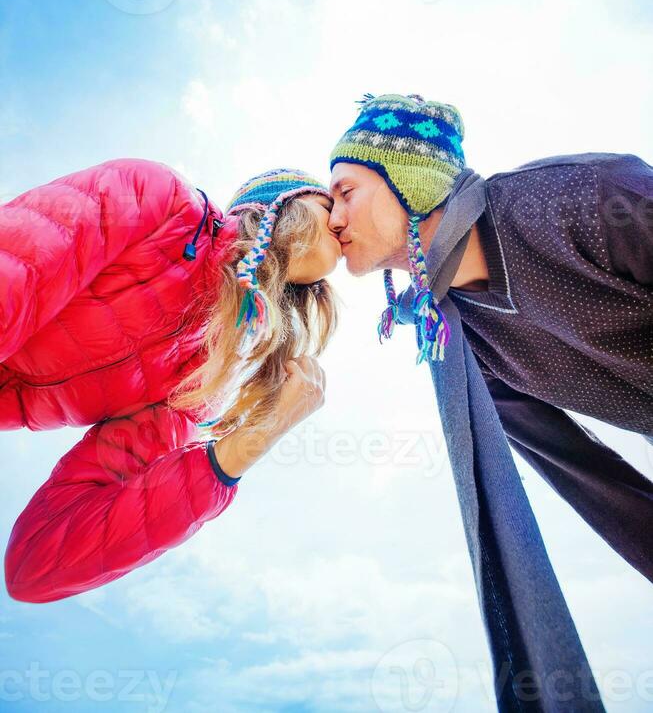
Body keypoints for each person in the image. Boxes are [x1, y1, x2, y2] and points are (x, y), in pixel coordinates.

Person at [327, 91, 653, 712]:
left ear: (411, 181)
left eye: (347, 191)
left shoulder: (573, 198)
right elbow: (583, 470)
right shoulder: (464, 341)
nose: (334, 217)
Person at [0, 160, 340, 603]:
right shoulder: (158, 203)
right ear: (283, 200)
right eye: (330, 201)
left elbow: (37, 564)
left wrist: (253, 440)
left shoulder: (200, 384)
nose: (341, 219)